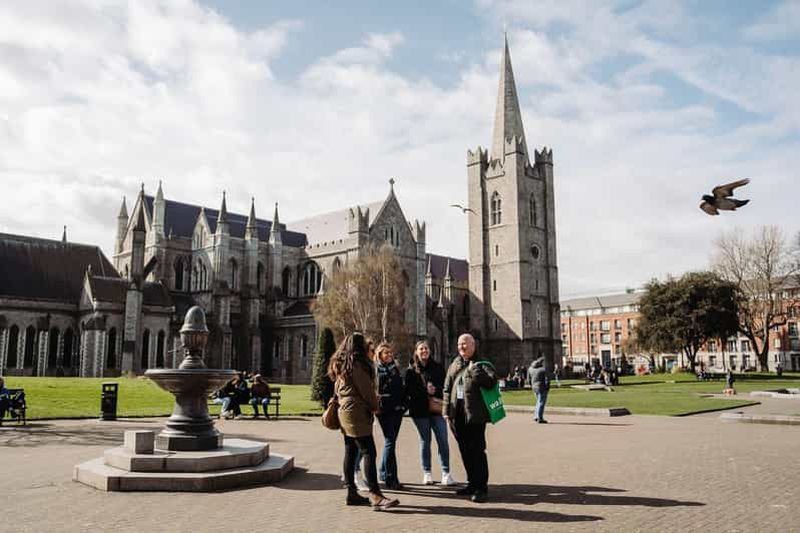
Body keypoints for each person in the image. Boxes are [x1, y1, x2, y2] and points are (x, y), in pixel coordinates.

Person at [328, 333, 398, 510]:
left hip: (345, 411)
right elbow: (366, 390)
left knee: (350, 451)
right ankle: (375, 494)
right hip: (356, 412)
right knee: (369, 451)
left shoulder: (341, 363)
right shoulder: (356, 364)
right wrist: (375, 406)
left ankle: (351, 492)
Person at [443, 333, 497, 503]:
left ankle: (481, 487)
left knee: (477, 451)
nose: (462, 347)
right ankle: (471, 483)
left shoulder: (482, 363)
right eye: (459, 345)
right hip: (457, 415)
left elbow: (492, 382)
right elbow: (447, 389)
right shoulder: (455, 363)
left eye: (465, 344)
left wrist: (475, 373)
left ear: (473, 345)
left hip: (475, 416)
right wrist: (446, 411)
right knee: (465, 451)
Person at [404, 340, 455, 487]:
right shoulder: (411, 370)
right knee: (425, 441)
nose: (424, 351)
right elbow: (409, 391)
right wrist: (424, 391)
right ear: (416, 351)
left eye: (426, 348)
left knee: (443, 440)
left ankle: (446, 473)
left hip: (437, 410)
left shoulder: (438, 367)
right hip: (420, 412)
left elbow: (446, 387)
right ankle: (427, 472)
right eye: (421, 349)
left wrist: (435, 390)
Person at [375, 342, 406, 490]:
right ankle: (390, 478)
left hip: (397, 410)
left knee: (391, 442)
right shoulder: (376, 370)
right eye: (385, 353)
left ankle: (382, 471)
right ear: (379, 355)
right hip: (384, 411)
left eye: (390, 352)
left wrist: (404, 405)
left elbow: (401, 387)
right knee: (390, 442)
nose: (389, 355)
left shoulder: (395, 368)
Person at [529, 357, 550, 424]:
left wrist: (531, 385)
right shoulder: (543, 370)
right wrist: (547, 387)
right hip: (541, 387)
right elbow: (547, 380)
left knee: (538, 402)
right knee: (541, 402)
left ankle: (536, 416)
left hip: (534, 387)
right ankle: (539, 417)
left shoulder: (530, 369)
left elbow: (528, 379)